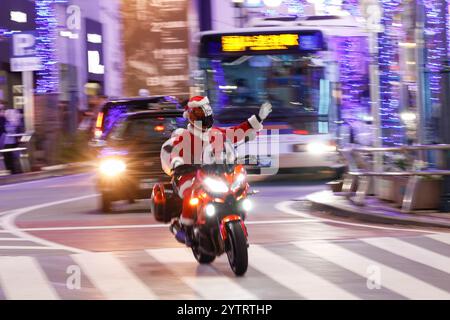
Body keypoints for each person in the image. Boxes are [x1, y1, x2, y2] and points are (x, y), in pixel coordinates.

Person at [160, 96, 272, 245]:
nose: (205, 115)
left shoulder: (216, 133)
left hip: (214, 171)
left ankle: (232, 213)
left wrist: (258, 118)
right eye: (200, 113)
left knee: (236, 182)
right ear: (192, 117)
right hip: (190, 173)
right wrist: (178, 162)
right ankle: (185, 228)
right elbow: (175, 152)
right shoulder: (185, 136)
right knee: (190, 193)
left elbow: (238, 131)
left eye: (206, 111)